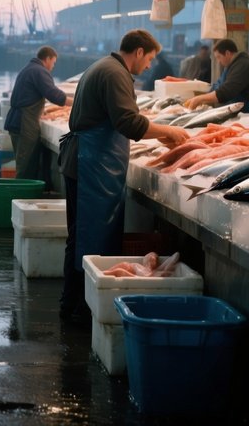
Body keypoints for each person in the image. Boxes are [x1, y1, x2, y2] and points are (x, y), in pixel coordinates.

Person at [58, 29, 190, 323]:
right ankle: (80, 308)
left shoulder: (104, 66)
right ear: (139, 51)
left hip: (90, 162)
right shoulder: (115, 73)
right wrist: (167, 131)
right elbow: (127, 121)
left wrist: (158, 135)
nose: (149, 66)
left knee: (83, 238)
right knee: (87, 240)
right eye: (150, 59)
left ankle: (75, 304)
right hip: (91, 164)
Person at [4, 46, 67, 180]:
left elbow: (28, 97)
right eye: (53, 62)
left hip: (15, 121)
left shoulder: (28, 69)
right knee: (25, 167)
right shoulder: (39, 71)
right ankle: (21, 198)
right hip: (24, 124)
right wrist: (77, 101)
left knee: (22, 163)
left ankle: (21, 196)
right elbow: (54, 95)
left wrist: (42, 113)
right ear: (48, 58)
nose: (53, 66)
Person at [184, 39, 249, 115]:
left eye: (219, 57)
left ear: (227, 53)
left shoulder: (243, 65)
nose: (218, 61)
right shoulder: (231, 66)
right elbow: (218, 86)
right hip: (245, 112)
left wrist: (200, 99)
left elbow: (226, 92)